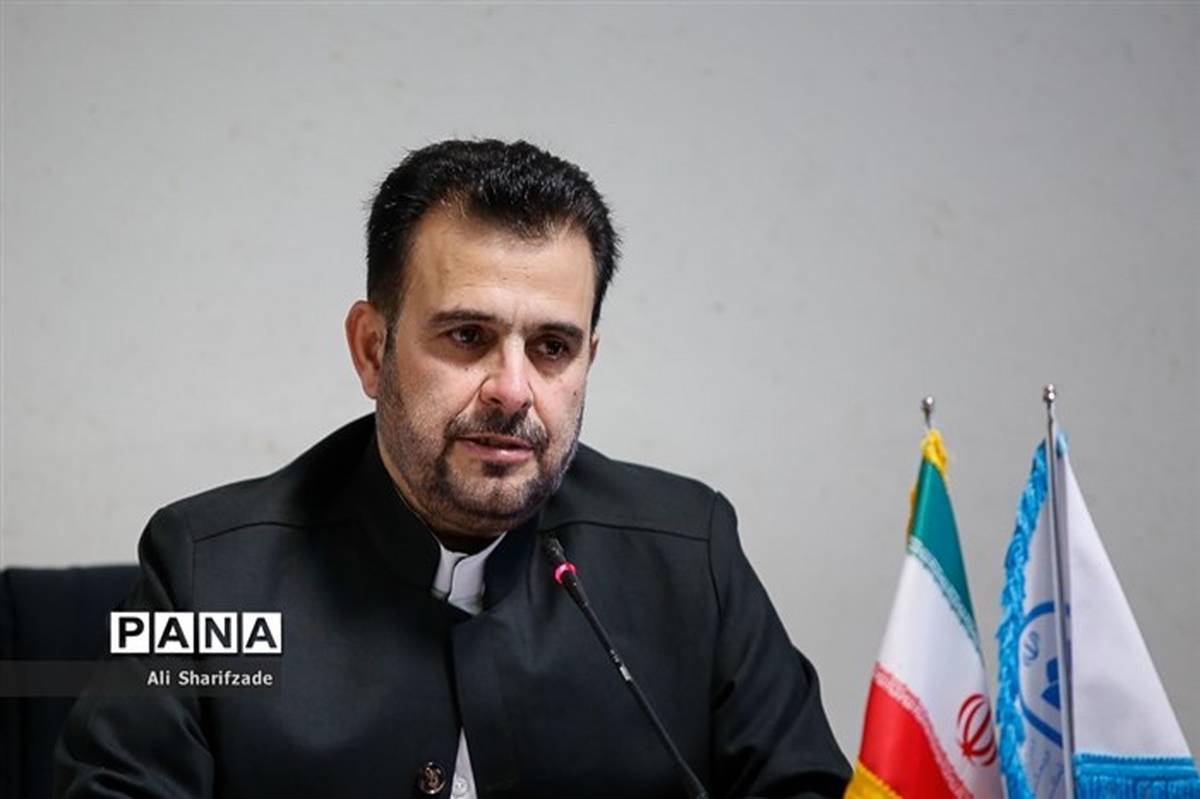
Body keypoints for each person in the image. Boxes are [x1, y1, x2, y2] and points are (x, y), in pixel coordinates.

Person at [55, 139, 850, 798]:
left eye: (553, 347)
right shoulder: (202, 572)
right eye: (467, 336)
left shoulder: (690, 554)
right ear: (373, 349)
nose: (514, 390)